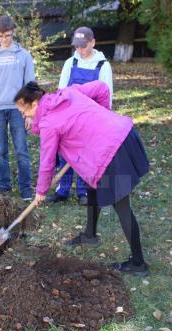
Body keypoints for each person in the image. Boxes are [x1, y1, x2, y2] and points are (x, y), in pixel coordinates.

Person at [15, 81, 150, 276]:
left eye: (23, 110)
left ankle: (138, 264)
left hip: (113, 151)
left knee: (122, 206)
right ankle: (89, 235)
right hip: (122, 134)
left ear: (35, 103)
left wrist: (40, 192)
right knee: (91, 186)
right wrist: (102, 120)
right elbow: (102, 88)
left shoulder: (49, 124)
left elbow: (47, 163)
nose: (23, 115)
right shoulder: (68, 92)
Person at [50, 26, 115, 248]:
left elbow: (107, 94)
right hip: (70, 118)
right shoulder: (71, 63)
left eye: (83, 45)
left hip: (92, 120)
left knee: (85, 159)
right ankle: (62, 190)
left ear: (92, 43)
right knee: (65, 155)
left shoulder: (102, 65)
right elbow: (61, 90)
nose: (80, 49)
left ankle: (83, 192)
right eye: (76, 46)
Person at [0, 15, 35, 201]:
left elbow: (30, 85)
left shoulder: (24, 56)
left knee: (21, 150)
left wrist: (29, 113)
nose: (5, 39)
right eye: (1, 36)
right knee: (0, 151)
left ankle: (26, 188)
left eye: (8, 35)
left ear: (13, 32)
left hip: (17, 110)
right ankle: (4, 186)